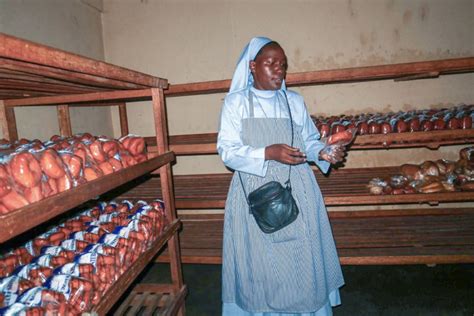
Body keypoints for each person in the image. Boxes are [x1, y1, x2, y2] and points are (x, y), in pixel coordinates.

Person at [217, 36, 345, 315]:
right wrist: (268, 152)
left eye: (283, 65)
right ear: (252, 66)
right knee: (260, 261)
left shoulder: (293, 102)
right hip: (253, 189)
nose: (279, 70)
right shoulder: (235, 103)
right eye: (270, 63)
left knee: (300, 257)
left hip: (296, 186)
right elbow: (227, 151)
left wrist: (323, 152)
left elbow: (309, 141)